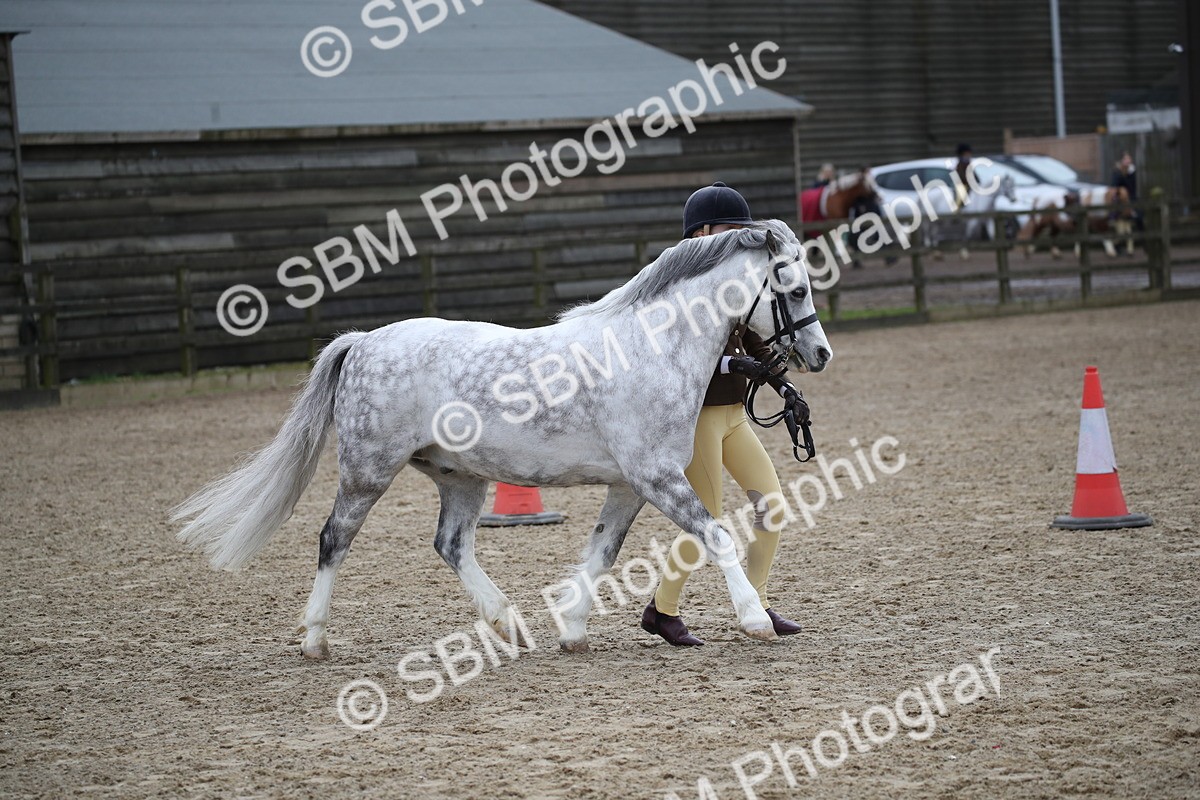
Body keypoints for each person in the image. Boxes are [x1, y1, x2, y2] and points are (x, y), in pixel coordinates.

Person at [640, 182, 808, 647]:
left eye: (740, 231)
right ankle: (662, 609)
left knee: (771, 505)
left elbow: (752, 338)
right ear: (700, 234)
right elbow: (675, 353)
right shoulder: (676, 286)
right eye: (728, 230)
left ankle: (756, 600)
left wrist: (784, 385)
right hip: (697, 418)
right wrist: (735, 364)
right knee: (706, 516)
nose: (736, 240)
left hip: (733, 415)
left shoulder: (734, 283)